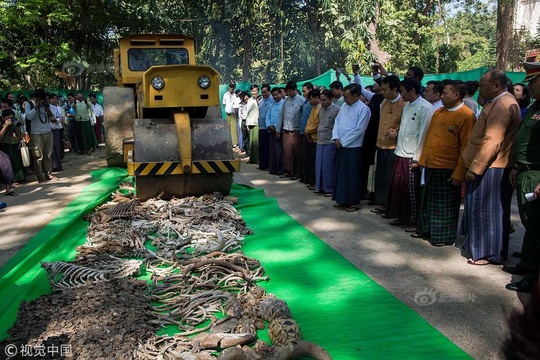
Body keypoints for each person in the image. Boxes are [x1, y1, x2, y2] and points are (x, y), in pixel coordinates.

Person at [459, 69, 521, 265]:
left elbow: (492, 141)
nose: (480, 89)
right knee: (481, 209)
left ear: (496, 86)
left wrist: (475, 167)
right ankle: (480, 247)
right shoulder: (496, 101)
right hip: (489, 164)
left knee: (488, 211)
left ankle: (488, 253)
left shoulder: (502, 105)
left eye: (483, 86)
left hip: (492, 166)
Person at [415, 81, 476, 245]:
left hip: (448, 168)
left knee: (444, 206)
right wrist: (422, 160)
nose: (441, 96)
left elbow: (466, 147)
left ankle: (443, 237)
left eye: (445, 93)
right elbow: (429, 137)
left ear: (456, 95)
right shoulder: (439, 112)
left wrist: (459, 172)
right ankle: (426, 230)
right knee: (427, 201)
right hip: (430, 164)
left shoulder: (466, 116)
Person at [504, 62, 540, 292]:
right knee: (530, 222)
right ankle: (526, 263)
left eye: (533, 82)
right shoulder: (536, 108)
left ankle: (532, 277)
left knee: (537, 226)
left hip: (537, 174)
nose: (530, 87)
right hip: (526, 172)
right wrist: (517, 166)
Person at [385, 77, 433, 232]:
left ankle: (414, 221)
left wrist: (418, 158)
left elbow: (424, 135)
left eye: (403, 91)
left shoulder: (425, 108)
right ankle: (402, 217)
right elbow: (406, 129)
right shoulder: (406, 107)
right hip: (401, 152)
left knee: (413, 192)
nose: (401, 94)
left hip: (413, 156)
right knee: (399, 189)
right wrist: (396, 134)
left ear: (413, 90)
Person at [331, 83, 371, 212]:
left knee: (352, 175)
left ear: (356, 96)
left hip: (353, 147)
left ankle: (354, 201)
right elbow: (337, 122)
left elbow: (359, 129)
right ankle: (341, 199)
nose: (345, 100)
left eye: (347, 97)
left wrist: (344, 142)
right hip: (340, 144)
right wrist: (336, 137)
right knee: (341, 174)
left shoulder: (363, 109)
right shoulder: (343, 105)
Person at [371, 75, 406, 213]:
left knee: (390, 177)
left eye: (385, 90)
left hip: (394, 147)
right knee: (380, 175)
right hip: (381, 144)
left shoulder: (404, 104)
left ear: (395, 89)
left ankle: (390, 206)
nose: (383, 92)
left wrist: (397, 134)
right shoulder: (383, 103)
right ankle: (382, 203)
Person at [276, 81, 303, 180]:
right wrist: (278, 129)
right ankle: (288, 171)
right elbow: (281, 116)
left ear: (295, 89)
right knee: (287, 152)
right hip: (286, 130)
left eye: (291, 91)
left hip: (296, 130)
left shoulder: (301, 100)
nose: (289, 93)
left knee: (296, 152)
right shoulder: (286, 101)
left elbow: (303, 117)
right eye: (288, 92)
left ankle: (297, 172)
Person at [314, 90, 340, 196]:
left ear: (331, 99)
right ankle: (319, 186)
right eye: (321, 99)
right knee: (319, 165)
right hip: (320, 140)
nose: (322, 102)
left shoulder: (337, 110)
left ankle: (329, 188)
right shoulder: (321, 109)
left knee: (328, 167)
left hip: (330, 142)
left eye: (324, 100)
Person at [303, 89, 321, 190]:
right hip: (310, 137)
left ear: (317, 98)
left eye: (311, 99)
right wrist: (307, 132)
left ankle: (315, 182)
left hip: (317, 138)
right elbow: (309, 121)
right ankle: (311, 181)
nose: (310, 101)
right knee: (310, 161)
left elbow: (316, 124)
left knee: (315, 162)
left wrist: (307, 131)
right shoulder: (313, 108)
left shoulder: (320, 108)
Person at [266, 87, 285, 175]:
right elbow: (267, 117)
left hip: (279, 131)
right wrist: (269, 125)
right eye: (273, 95)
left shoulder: (284, 104)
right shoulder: (271, 105)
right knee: (272, 150)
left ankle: (280, 170)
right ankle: (272, 169)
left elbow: (282, 118)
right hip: (271, 130)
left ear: (281, 94)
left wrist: (277, 128)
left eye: (277, 94)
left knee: (279, 151)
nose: (275, 96)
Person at [0, 110, 19, 195]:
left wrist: (17, 127)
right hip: (1, 148)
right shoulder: (1, 124)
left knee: (8, 167)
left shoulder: (13, 124)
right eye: (7, 118)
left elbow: (19, 137)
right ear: (3, 118)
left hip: (9, 147)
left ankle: (8, 189)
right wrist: (5, 126)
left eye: (11, 118)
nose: (10, 120)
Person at [299, 82, 314, 185]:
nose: (303, 93)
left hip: (310, 134)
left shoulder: (314, 105)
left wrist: (308, 132)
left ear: (310, 90)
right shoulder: (305, 102)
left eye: (304, 91)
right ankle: (304, 177)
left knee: (309, 158)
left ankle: (309, 179)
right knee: (303, 157)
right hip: (303, 132)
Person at [257, 84, 272, 171]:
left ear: (269, 91)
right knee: (262, 147)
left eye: (265, 92)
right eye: (262, 92)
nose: (264, 94)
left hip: (268, 128)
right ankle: (262, 164)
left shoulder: (272, 101)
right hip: (261, 127)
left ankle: (268, 165)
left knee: (268, 148)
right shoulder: (261, 101)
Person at [223, 82, 239, 149]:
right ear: (229, 87)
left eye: (233, 87)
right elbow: (224, 103)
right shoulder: (225, 95)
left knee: (234, 128)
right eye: (231, 87)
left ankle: (234, 143)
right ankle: (228, 142)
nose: (232, 88)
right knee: (228, 128)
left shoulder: (236, 95)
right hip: (227, 113)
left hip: (233, 114)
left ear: (234, 87)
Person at [246, 85, 259, 163]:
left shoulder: (260, 100)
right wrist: (247, 124)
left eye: (255, 91)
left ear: (258, 91)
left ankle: (257, 159)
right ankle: (252, 159)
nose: (253, 92)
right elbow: (247, 112)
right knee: (252, 142)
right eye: (252, 91)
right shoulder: (249, 100)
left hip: (257, 123)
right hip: (250, 122)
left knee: (257, 142)